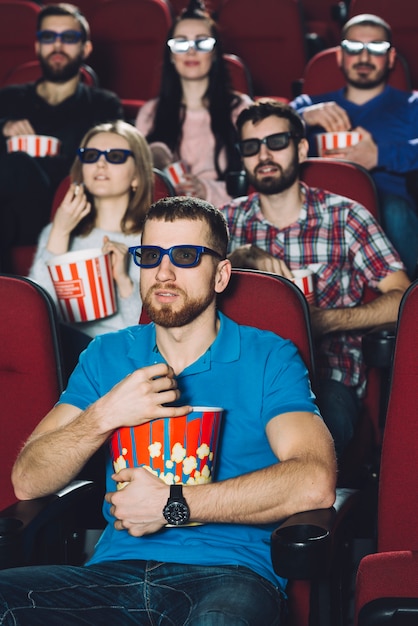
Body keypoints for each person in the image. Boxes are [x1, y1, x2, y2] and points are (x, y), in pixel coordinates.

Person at [0, 196, 336, 625]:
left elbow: (314, 481)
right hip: (111, 577)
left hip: (229, 575)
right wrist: (104, 414)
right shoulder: (107, 355)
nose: (163, 272)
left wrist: (173, 504)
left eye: (185, 256)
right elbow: (28, 479)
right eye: (150, 255)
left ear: (220, 275)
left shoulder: (269, 356)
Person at [219, 100, 411, 459]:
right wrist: (240, 258)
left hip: (325, 378)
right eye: (251, 146)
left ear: (301, 147)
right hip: (240, 375)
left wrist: (326, 321)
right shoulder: (226, 220)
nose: (264, 154)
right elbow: (191, 292)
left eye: (276, 142)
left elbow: (403, 298)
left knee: (294, 455)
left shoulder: (345, 215)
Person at [290, 13, 418, 279]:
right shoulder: (308, 105)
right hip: (314, 211)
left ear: (391, 58)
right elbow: (264, 129)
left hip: (388, 213)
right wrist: (302, 118)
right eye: (353, 48)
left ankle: (405, 302)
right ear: (339, 56)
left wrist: (379, 155)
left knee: (394, 210)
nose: (364, 57)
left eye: (376, 48)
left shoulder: (412, 105)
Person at [0, 2, 124, 272]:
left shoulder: (103, 105)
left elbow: (108, 167)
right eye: (48, 37)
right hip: (10, 211)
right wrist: (3, 128)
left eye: (69, 38)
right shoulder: (8, 100)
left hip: (67, 209)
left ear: (85, 48)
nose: (58, 45)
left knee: (16, 163)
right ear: (37, 47)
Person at [29, 120, 154, 339]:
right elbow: (35, 313)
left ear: (136, 176)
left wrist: (123, 279)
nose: (101, 164)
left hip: (115, 352)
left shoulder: (152, 241)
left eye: (115, 156)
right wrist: (60, 232)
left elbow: (145, 332)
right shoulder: (58, 229)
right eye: (91, 155)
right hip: (58, 349)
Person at [135, 0, 253, 207]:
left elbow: (255, 180)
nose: (191, 52)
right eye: (181, 43)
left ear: (215, 53)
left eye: (202, 43)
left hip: (227, 217)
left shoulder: (240, 109)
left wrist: (206, 190)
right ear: (170, 55)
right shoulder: (150, 113)